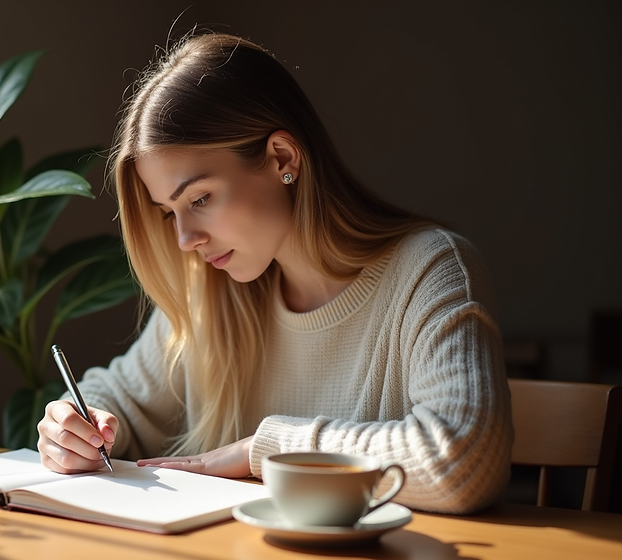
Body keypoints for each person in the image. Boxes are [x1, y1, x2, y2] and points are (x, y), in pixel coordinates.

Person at [37, 31, 513, 515]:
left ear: (283, 159)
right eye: (169, 211)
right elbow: (116, 400)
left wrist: (259, 452)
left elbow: (460, 462)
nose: (185, 239)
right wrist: (73, 425)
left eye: (200, 199)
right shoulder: (214, 293)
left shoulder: (429, 270)